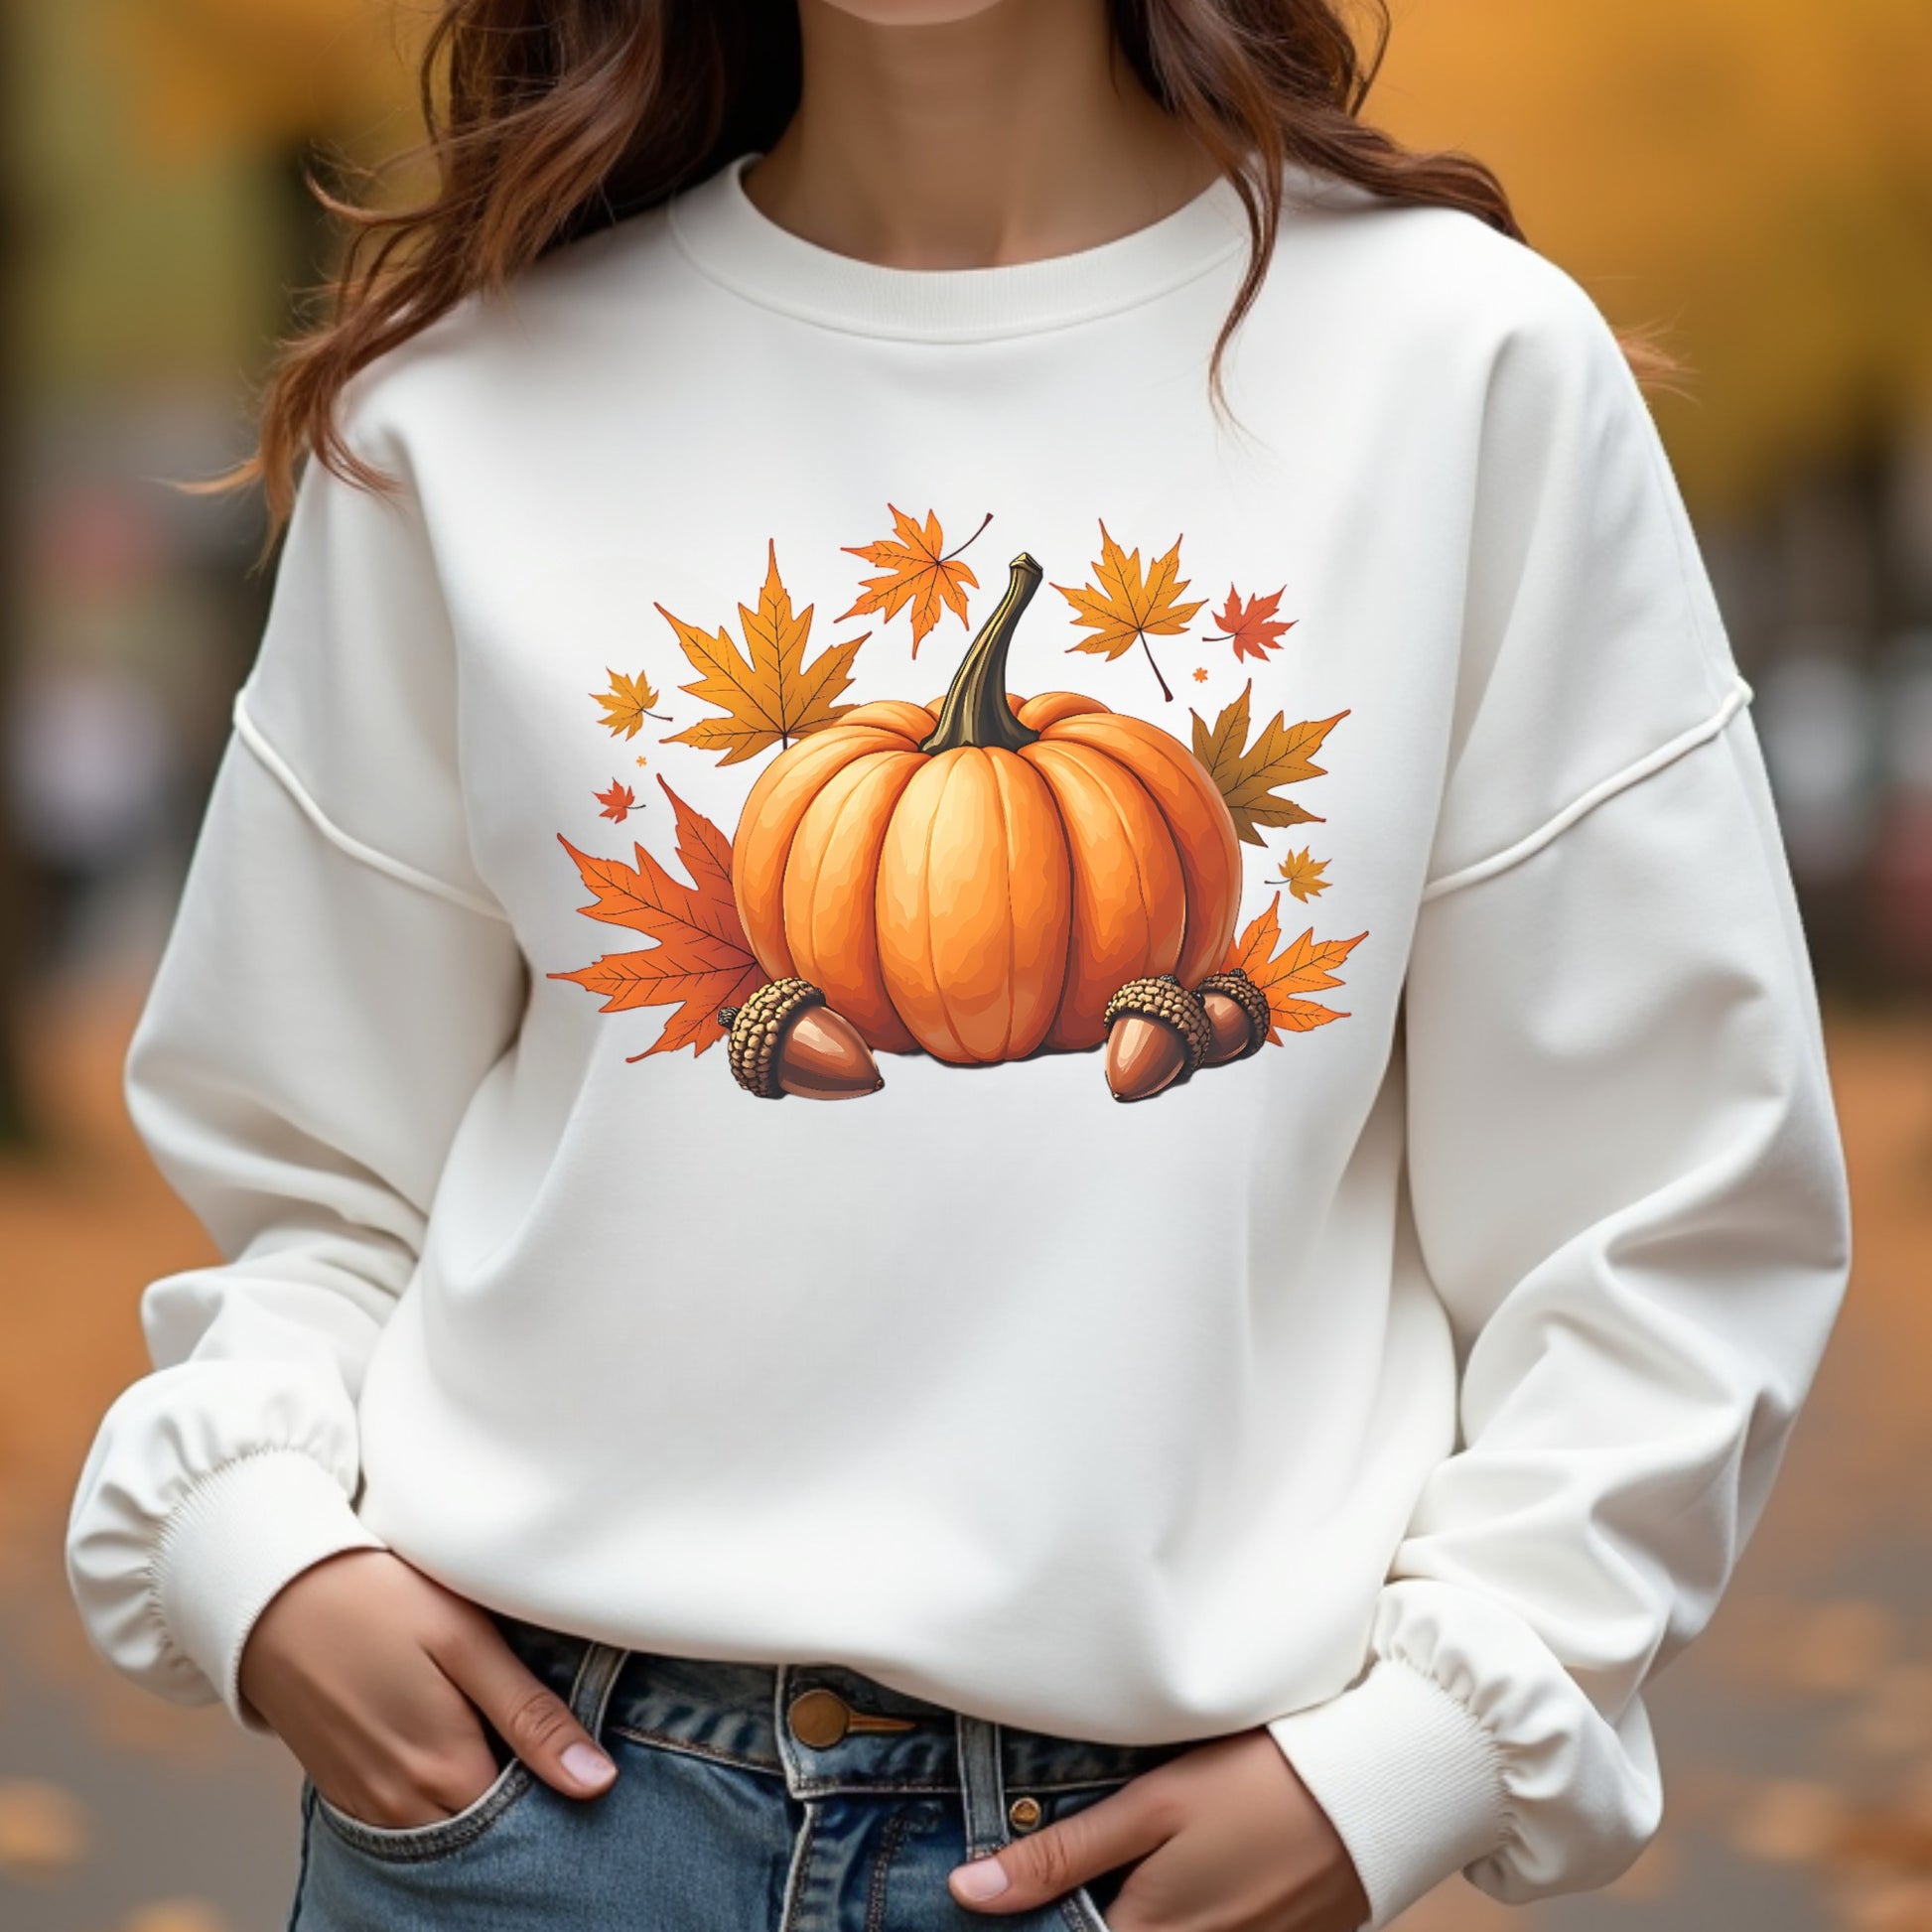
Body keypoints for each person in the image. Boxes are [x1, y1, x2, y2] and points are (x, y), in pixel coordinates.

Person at [65, 3, 1853, 1929]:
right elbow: (314, 1161)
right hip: (527, 1828)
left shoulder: (1462, 370)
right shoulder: (470, 401)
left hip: (1166, 1853)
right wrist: (256, 1545)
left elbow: (1666, 1198)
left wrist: (1428, 1743)